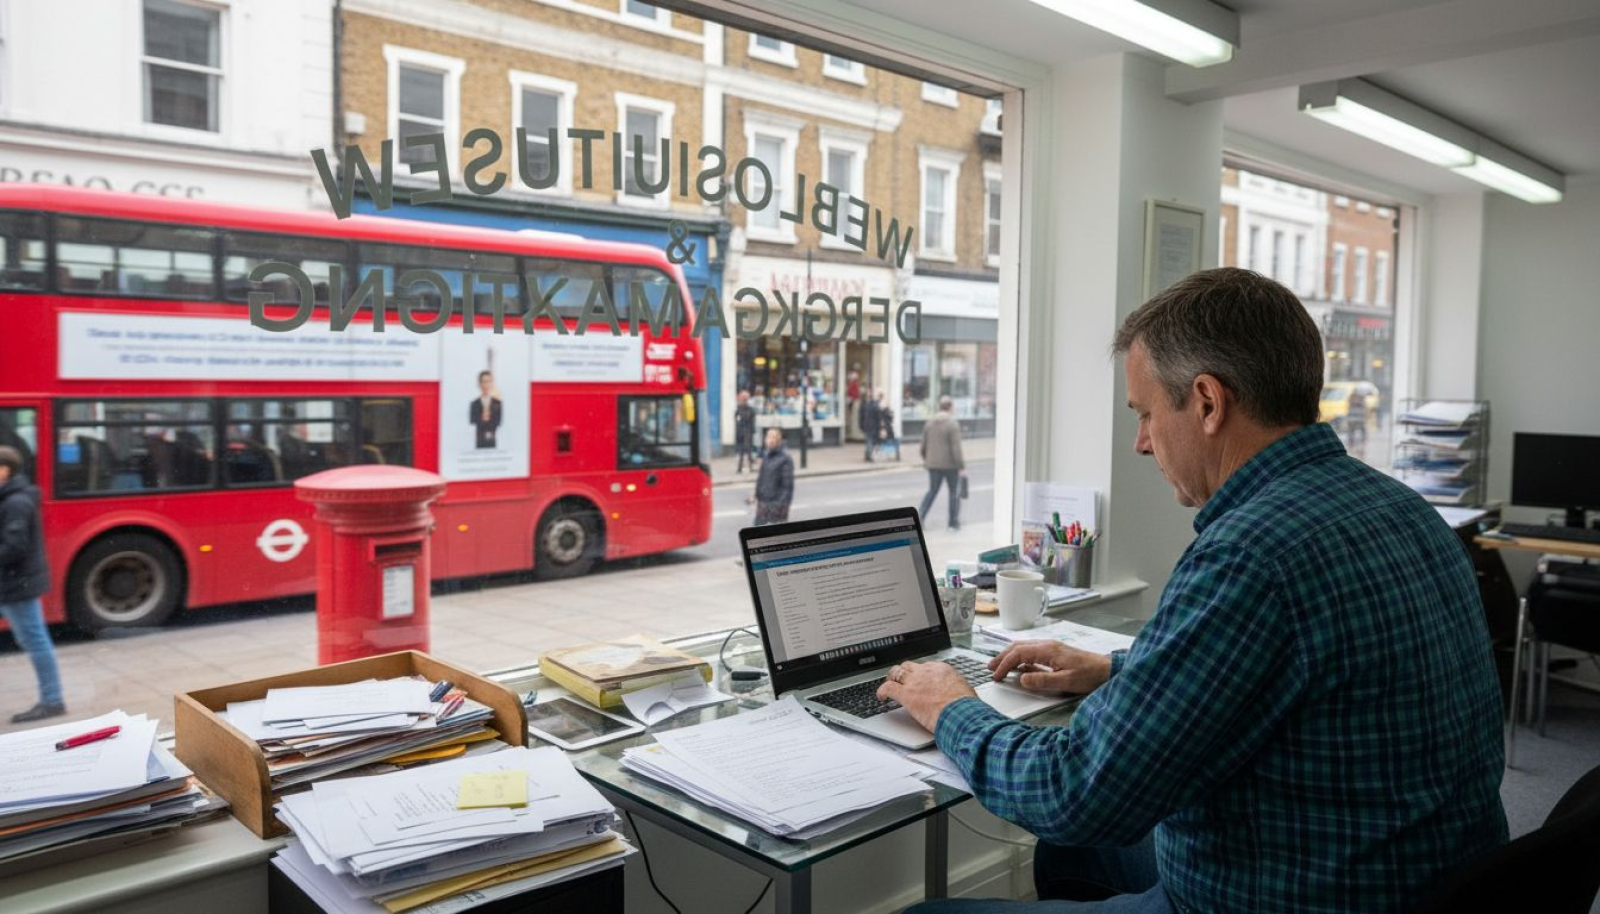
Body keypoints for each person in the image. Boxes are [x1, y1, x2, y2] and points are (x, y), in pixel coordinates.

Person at [884, 268, 1506, 914]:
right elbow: (1299, 667)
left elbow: (1074, 794)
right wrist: (1112, 670)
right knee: (1067, 855)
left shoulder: (1251, 554)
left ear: (1208, 403)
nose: (1141, 442)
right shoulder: (1400, 507)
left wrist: (948, 705)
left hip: (1293, 894)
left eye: (1147, 414)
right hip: (1412, 871)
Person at [0, 445, 66, 724]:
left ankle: (52, 700)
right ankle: (52, 698)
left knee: (35, 640)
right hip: (12, 582)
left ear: (5, 470)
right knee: (33, 639)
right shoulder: (10, 498)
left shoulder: (16, 502)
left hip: (18, 584)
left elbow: (14, 546)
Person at [917, 396, 964, 530]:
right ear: (950, 407)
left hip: (933, 465)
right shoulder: (952, 423)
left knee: (932, 491)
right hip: (950, 465)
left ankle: (920, 517)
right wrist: (961, 466)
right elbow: (956, 448)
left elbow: (923, 447)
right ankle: (953, 523)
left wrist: (928, 460)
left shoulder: (929, 423)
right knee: (954, 492)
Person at [749, 428, 793, 526]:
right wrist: (755, 494)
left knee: (775, 538)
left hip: (777, 507)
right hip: (763, 505)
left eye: (773, 437)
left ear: (779, 440)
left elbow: (787, 486)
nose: (770, 440)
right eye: (768, 436)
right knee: (757, 534)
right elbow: (761, 479)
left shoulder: (785, 459)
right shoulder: (766, 455)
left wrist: (780, 506)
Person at [469, 370, 502, 449]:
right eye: (483, 382)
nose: (486, 385)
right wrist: (482, 418)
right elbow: (472, 420)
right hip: (479, 441)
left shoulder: (498, 403)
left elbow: (498, 421)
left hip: (492, 441)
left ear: (491, 384)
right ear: (479, 384)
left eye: (488, 382)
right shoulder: (474, 404)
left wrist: (488, 419)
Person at [734, 390, 757, 474]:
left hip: (747, 432)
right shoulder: (739, 409)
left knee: (747, 450)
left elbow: (752, 420)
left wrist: (752, 431)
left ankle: (748, 467)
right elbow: (737, 419)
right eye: (743, 398)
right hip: (742, 432)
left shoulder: (750, 409)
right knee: (743, 451)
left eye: (745, 398)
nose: (744, 400)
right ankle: (741, 468)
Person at [875, 391, 901, 461]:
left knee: (884, 442)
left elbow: (885, 419)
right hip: (887, 428)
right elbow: (891, 418)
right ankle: (893, 455)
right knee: (888, 441)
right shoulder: (887, 410)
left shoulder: (882, 409)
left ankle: (889, 455)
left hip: (886, 428)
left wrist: (882, 428)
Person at [860, 388, 881, 462]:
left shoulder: (865, 404)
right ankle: (869, 456)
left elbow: (861, 416)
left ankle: (867, 455)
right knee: (870, 440)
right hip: (872, 425)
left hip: (867, 425)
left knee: (868, 440)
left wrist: (861, 425)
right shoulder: (874, 405)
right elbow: (878, 417)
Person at [1345, 386, 1369, 451]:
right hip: (1358, 418)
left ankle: (1352, 443)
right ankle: (1361, 441)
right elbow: (1365, 407)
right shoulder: (1361, 398)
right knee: (1361, 430)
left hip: (1353, 418)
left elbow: (1348, 406)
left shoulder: (1351, 397)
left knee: (1352, 430)